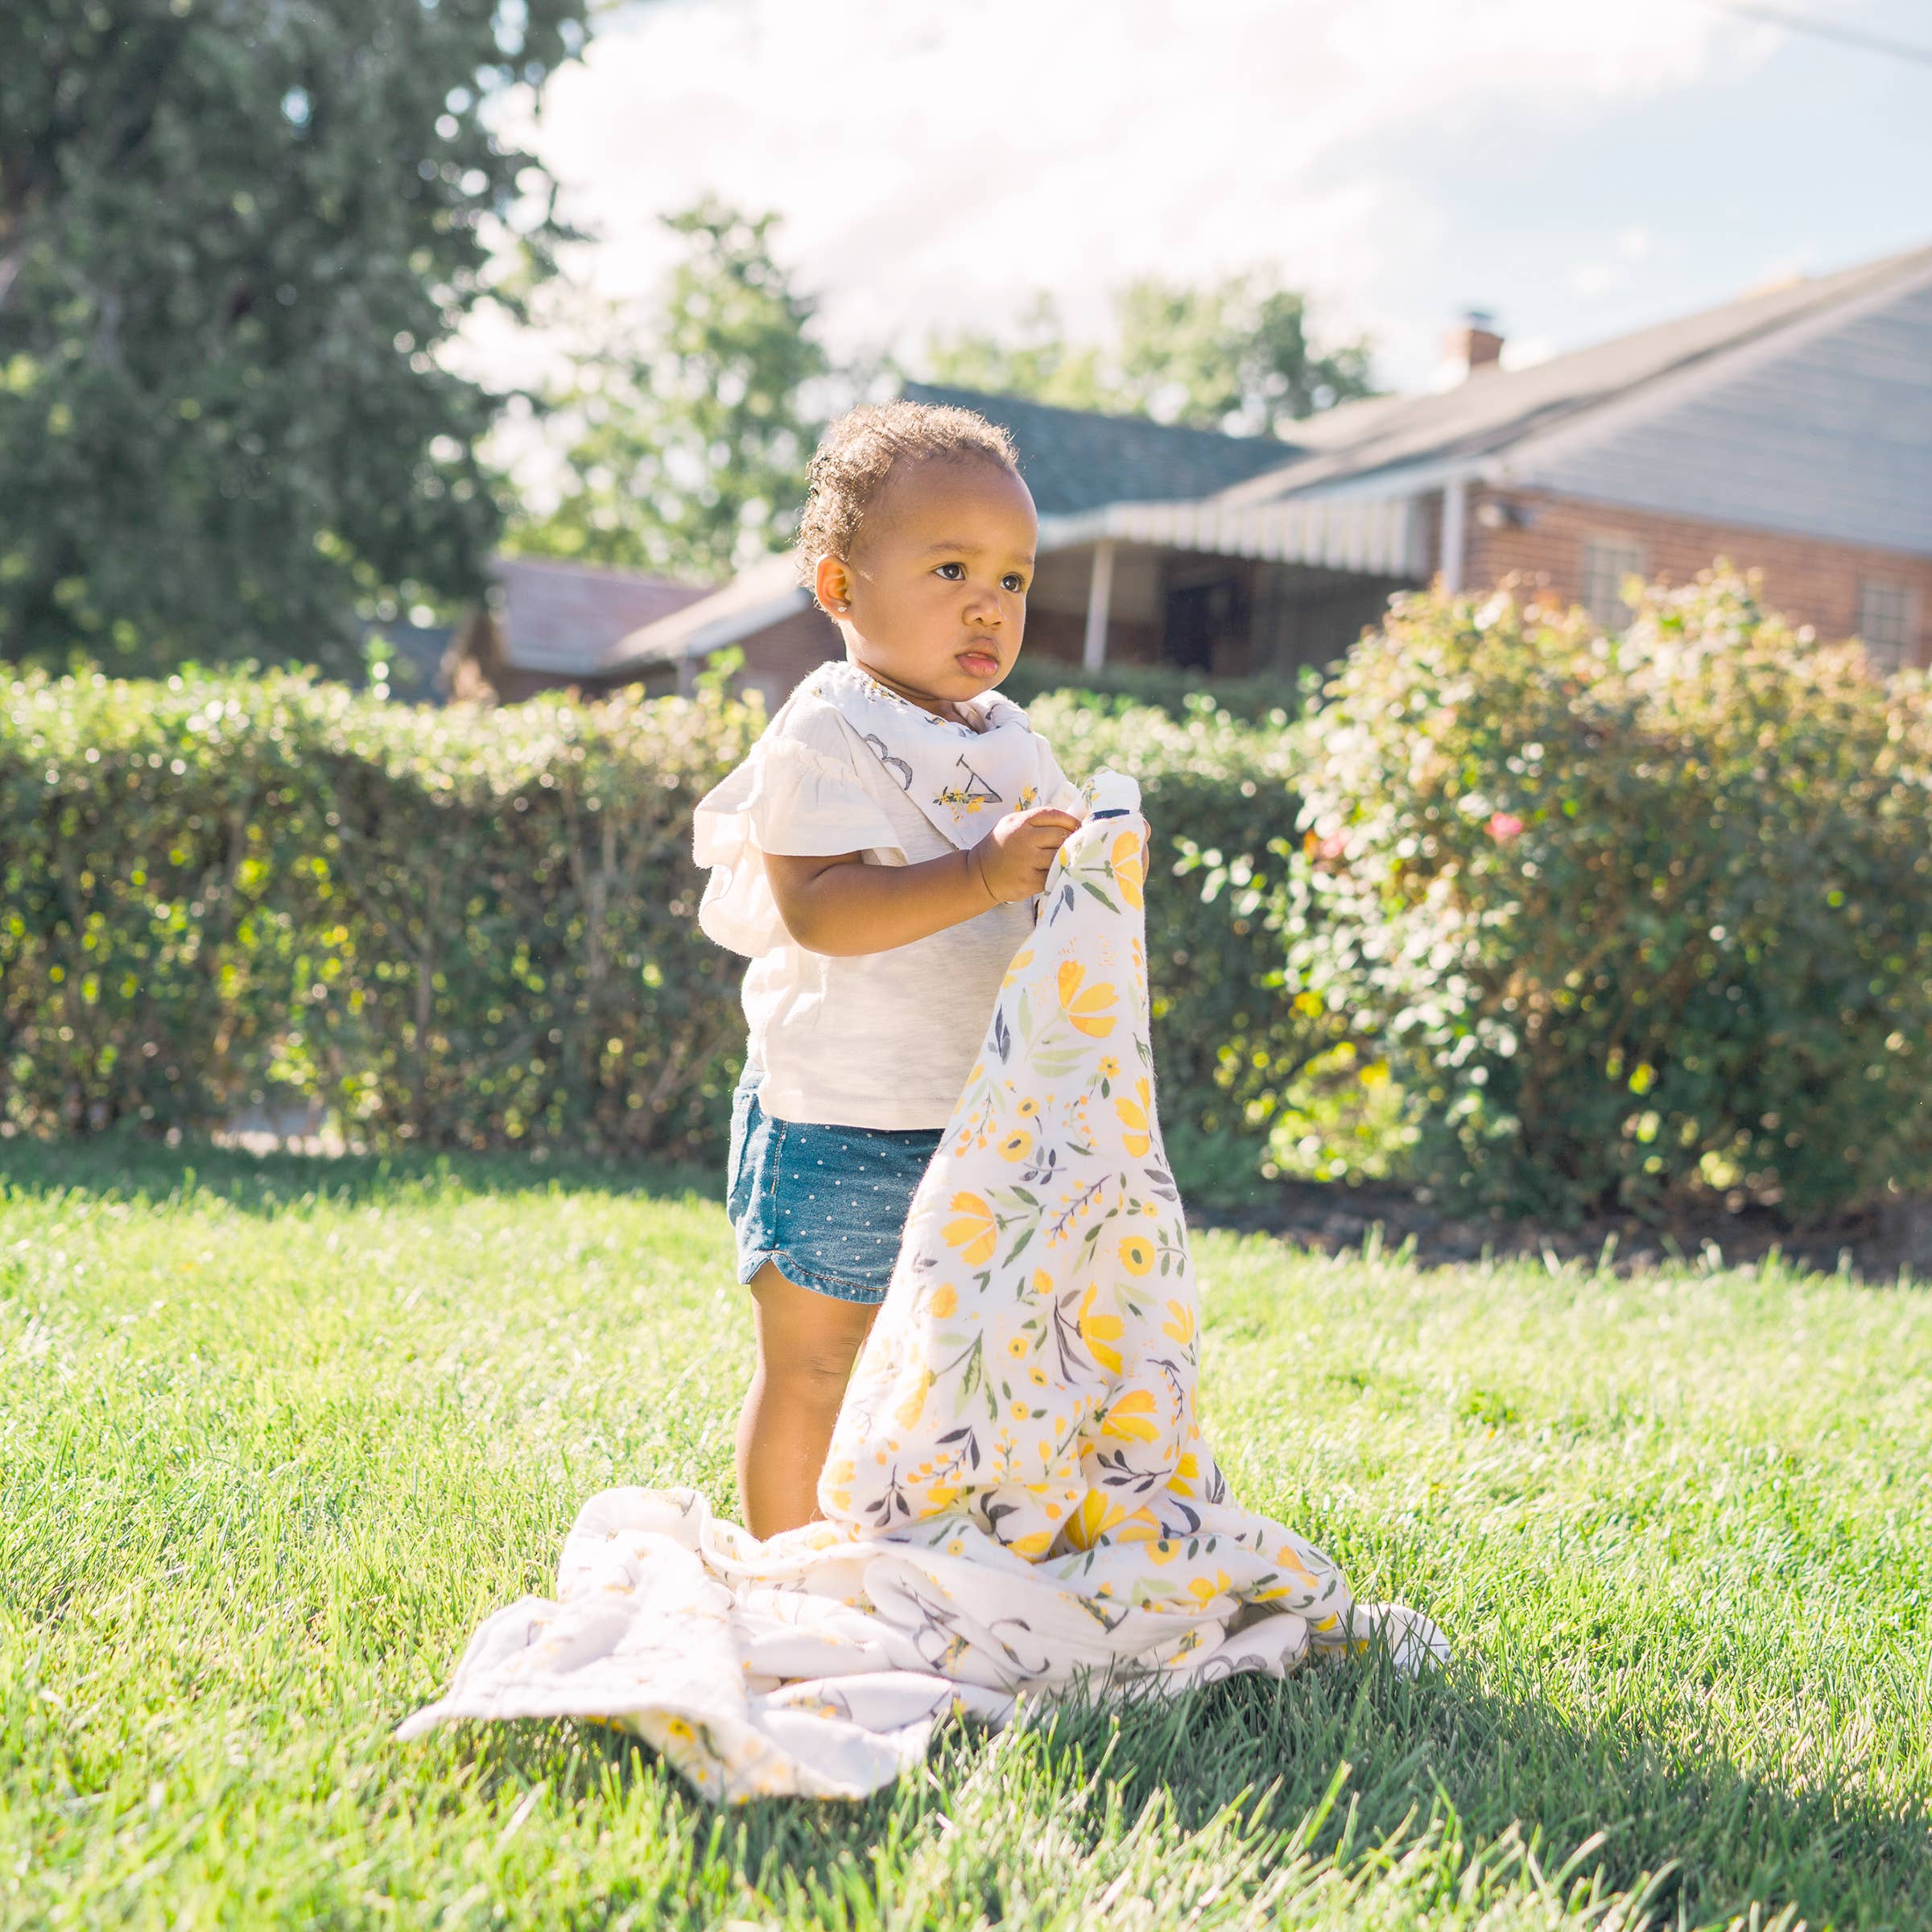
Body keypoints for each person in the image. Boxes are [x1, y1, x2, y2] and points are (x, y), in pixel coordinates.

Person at [691, 400, 1084, 1539]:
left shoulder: (1014, 743)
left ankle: (912, 1548)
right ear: (840, 588)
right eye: (952, 567)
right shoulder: (824, 732)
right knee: (817, 1368)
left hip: (976, 1117)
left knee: (958, 1370)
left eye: (1013, 579)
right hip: (841, 1115)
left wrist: (1083, 876)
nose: (988, 604)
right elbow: (818, 909)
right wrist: (979, 873)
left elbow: (1034, 904)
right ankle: (786, 1575)